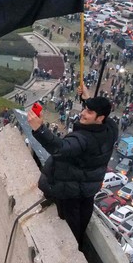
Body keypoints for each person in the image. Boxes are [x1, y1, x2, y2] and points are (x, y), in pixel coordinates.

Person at [26, 84, 119, 244]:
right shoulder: (111, 129)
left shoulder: (83, 139)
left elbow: (59, 148)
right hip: (87, 189)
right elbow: (104, 116)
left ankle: (72, 249)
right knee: (83, 219)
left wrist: (39, 129)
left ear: (100, 118)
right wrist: (88, 99)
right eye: (85, 109)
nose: (83, 113)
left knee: (70, 230)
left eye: (89, 112)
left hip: (69, 191)